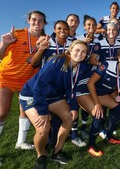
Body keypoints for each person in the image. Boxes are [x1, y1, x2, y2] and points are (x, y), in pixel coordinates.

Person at [19, 40, 89, 168]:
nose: (80, 53)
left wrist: (73, 107)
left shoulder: (81, 67)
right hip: (32, 94)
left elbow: (71, 88)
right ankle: (41, 155)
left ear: (86, 55)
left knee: (69, 118)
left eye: (84, 52)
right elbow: (39, 86)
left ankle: (57, 151)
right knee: (43, 128)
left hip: (52, 96)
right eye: (77, 50)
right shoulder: (57, 61)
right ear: (70, 50)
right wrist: (43, 111)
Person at [0, 10, 48, 155]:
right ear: (28, 20)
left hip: (27, 81)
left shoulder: (45, 39)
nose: (37, 23)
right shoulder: (17, 34)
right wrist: (4, 44)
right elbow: (0, 55)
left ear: (44, 23)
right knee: (2, 111)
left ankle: (21, 142)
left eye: (40, 20)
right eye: (34, 19)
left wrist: (41, 48)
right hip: (7, 76)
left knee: (25, 112)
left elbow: (38, 62)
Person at [87, 47, 120, 144]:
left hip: (105, 93)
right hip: (92, 92)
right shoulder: (107, 65)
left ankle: (109, 136)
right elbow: (90, 83)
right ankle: (91, 145)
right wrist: (97, 103)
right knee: (99, 115)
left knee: (117, 108)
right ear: (119, 58)